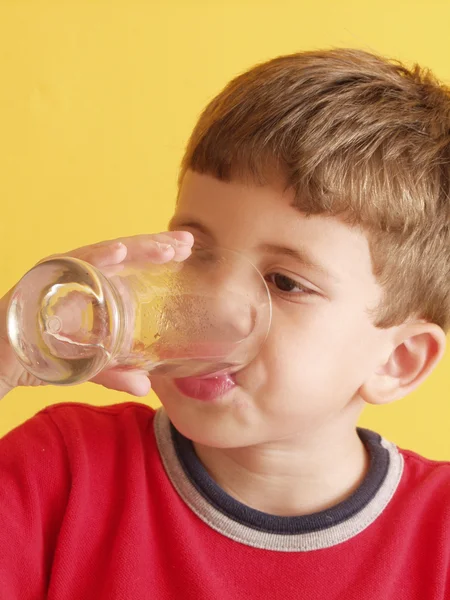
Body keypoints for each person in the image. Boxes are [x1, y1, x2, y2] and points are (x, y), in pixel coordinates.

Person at [0, 48, 449, 599]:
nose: (215, 303)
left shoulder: (439, 539)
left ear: (397, 361)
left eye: (286, 282)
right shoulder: (63, 474)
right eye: (197, 253)